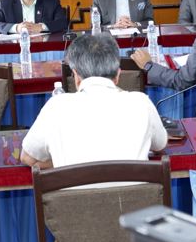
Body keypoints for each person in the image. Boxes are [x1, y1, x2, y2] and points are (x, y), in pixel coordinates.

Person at [22, 34, 165, 169]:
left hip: (73, 188)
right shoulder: (141, 102)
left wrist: (63, 163)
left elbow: (28, 158)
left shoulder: (56, 106)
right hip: (134, 188)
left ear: (76, 76)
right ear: (118, 75)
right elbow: (160, 145)